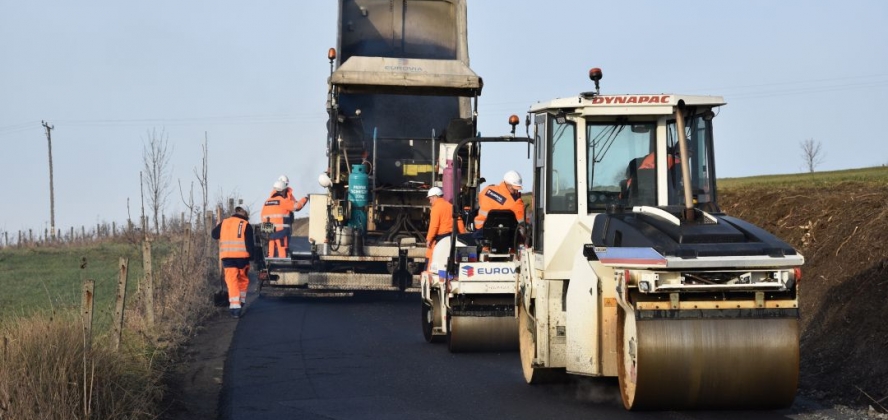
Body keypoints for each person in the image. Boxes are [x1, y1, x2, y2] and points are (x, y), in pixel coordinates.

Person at [211, 205, 255, 318]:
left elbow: (214, 235)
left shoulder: (224, 223)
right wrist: (252, 257)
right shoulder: (246, 225)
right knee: (242, 280)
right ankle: (240, 303)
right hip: (242, 258)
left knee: (232, 281)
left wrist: (218, 226)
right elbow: (249, 244)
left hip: (227, 258)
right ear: (244, 213)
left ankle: (235, 308)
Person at [261, 178, 308, 258]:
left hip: (268, 231)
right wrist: (305, 199)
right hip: (281, 231)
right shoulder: (283, 201)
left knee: (270, 250)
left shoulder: (267, 201)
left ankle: (270, 266)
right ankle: (282, 267)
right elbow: (296, 207)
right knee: (282, 250)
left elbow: (262, 216)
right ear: (283, 191)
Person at [425, 186, 466, 266]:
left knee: (432, 258)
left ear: (435, 197)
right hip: (453, 237)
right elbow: (459, 221)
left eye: (430, 198)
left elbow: (434, 226)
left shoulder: (436, 208)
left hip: (441, 238)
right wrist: (463, 236)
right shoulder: (451, 206)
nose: (430, 201)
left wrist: (429, 239)